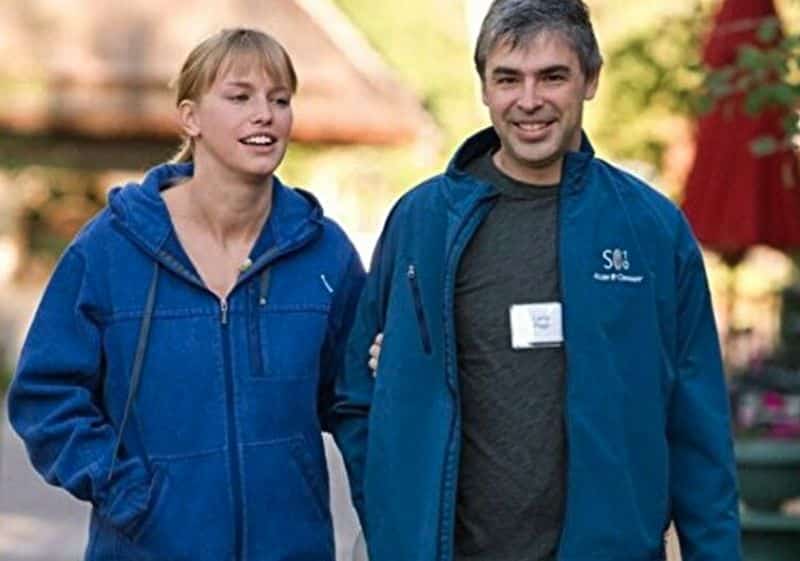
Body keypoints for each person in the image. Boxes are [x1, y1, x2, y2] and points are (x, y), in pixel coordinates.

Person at [332, 1, 741, 560]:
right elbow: (357, 394)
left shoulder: (651, 228)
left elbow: (698, 430)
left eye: (552, 76)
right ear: (483, 87)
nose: (529, 101)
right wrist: (395, 518)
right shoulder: (422, 220)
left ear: (590, 80)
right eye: (508, 79)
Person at [8, 28, 364, 561]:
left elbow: (358, 402)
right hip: (148, 548)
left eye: (280, 99)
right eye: (240, 97)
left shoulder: (324, 253)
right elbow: (47, 395)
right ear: (190, 117)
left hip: (291, 549)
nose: (264, 114)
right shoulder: (108, 248)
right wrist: (129, 496)